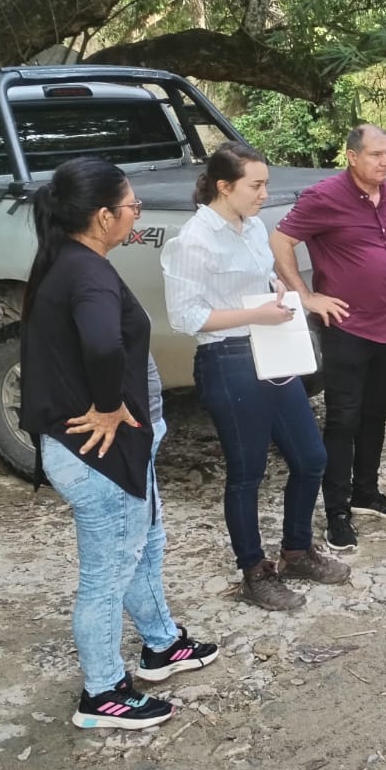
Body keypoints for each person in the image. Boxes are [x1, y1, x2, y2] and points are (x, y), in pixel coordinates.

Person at [19, 158, 217, 730]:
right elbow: (104, 345)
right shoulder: (86, 273)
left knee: (145, 545)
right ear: (103, 216)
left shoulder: (71, 261)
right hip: (99, 454)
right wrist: (109, 406)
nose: (136, 213)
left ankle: (160, 645)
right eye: (131, 206)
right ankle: (102, 693)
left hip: (118, 450)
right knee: (107, 573)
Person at [162, 142, 350, 610]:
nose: (266, 193)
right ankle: (254, 572)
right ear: (225, 187)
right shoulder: (193, 240)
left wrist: (278, 292)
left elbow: (256, 280)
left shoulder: (251, 228)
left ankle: (296, 550)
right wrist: (255, 317)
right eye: (256, 185)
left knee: (310, 457)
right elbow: (186, 317)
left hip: (271, 351)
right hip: (227, 360)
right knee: (247, 473)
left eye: (265, 184)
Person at [269, 123, 386, 552]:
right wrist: (308, 296)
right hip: (347, 327)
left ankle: (366, 492)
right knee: (343, 418)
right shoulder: (324, 197)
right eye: (376, 155)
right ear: (352, 157)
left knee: (377, 413)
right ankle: (337, 510)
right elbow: (280, 241)